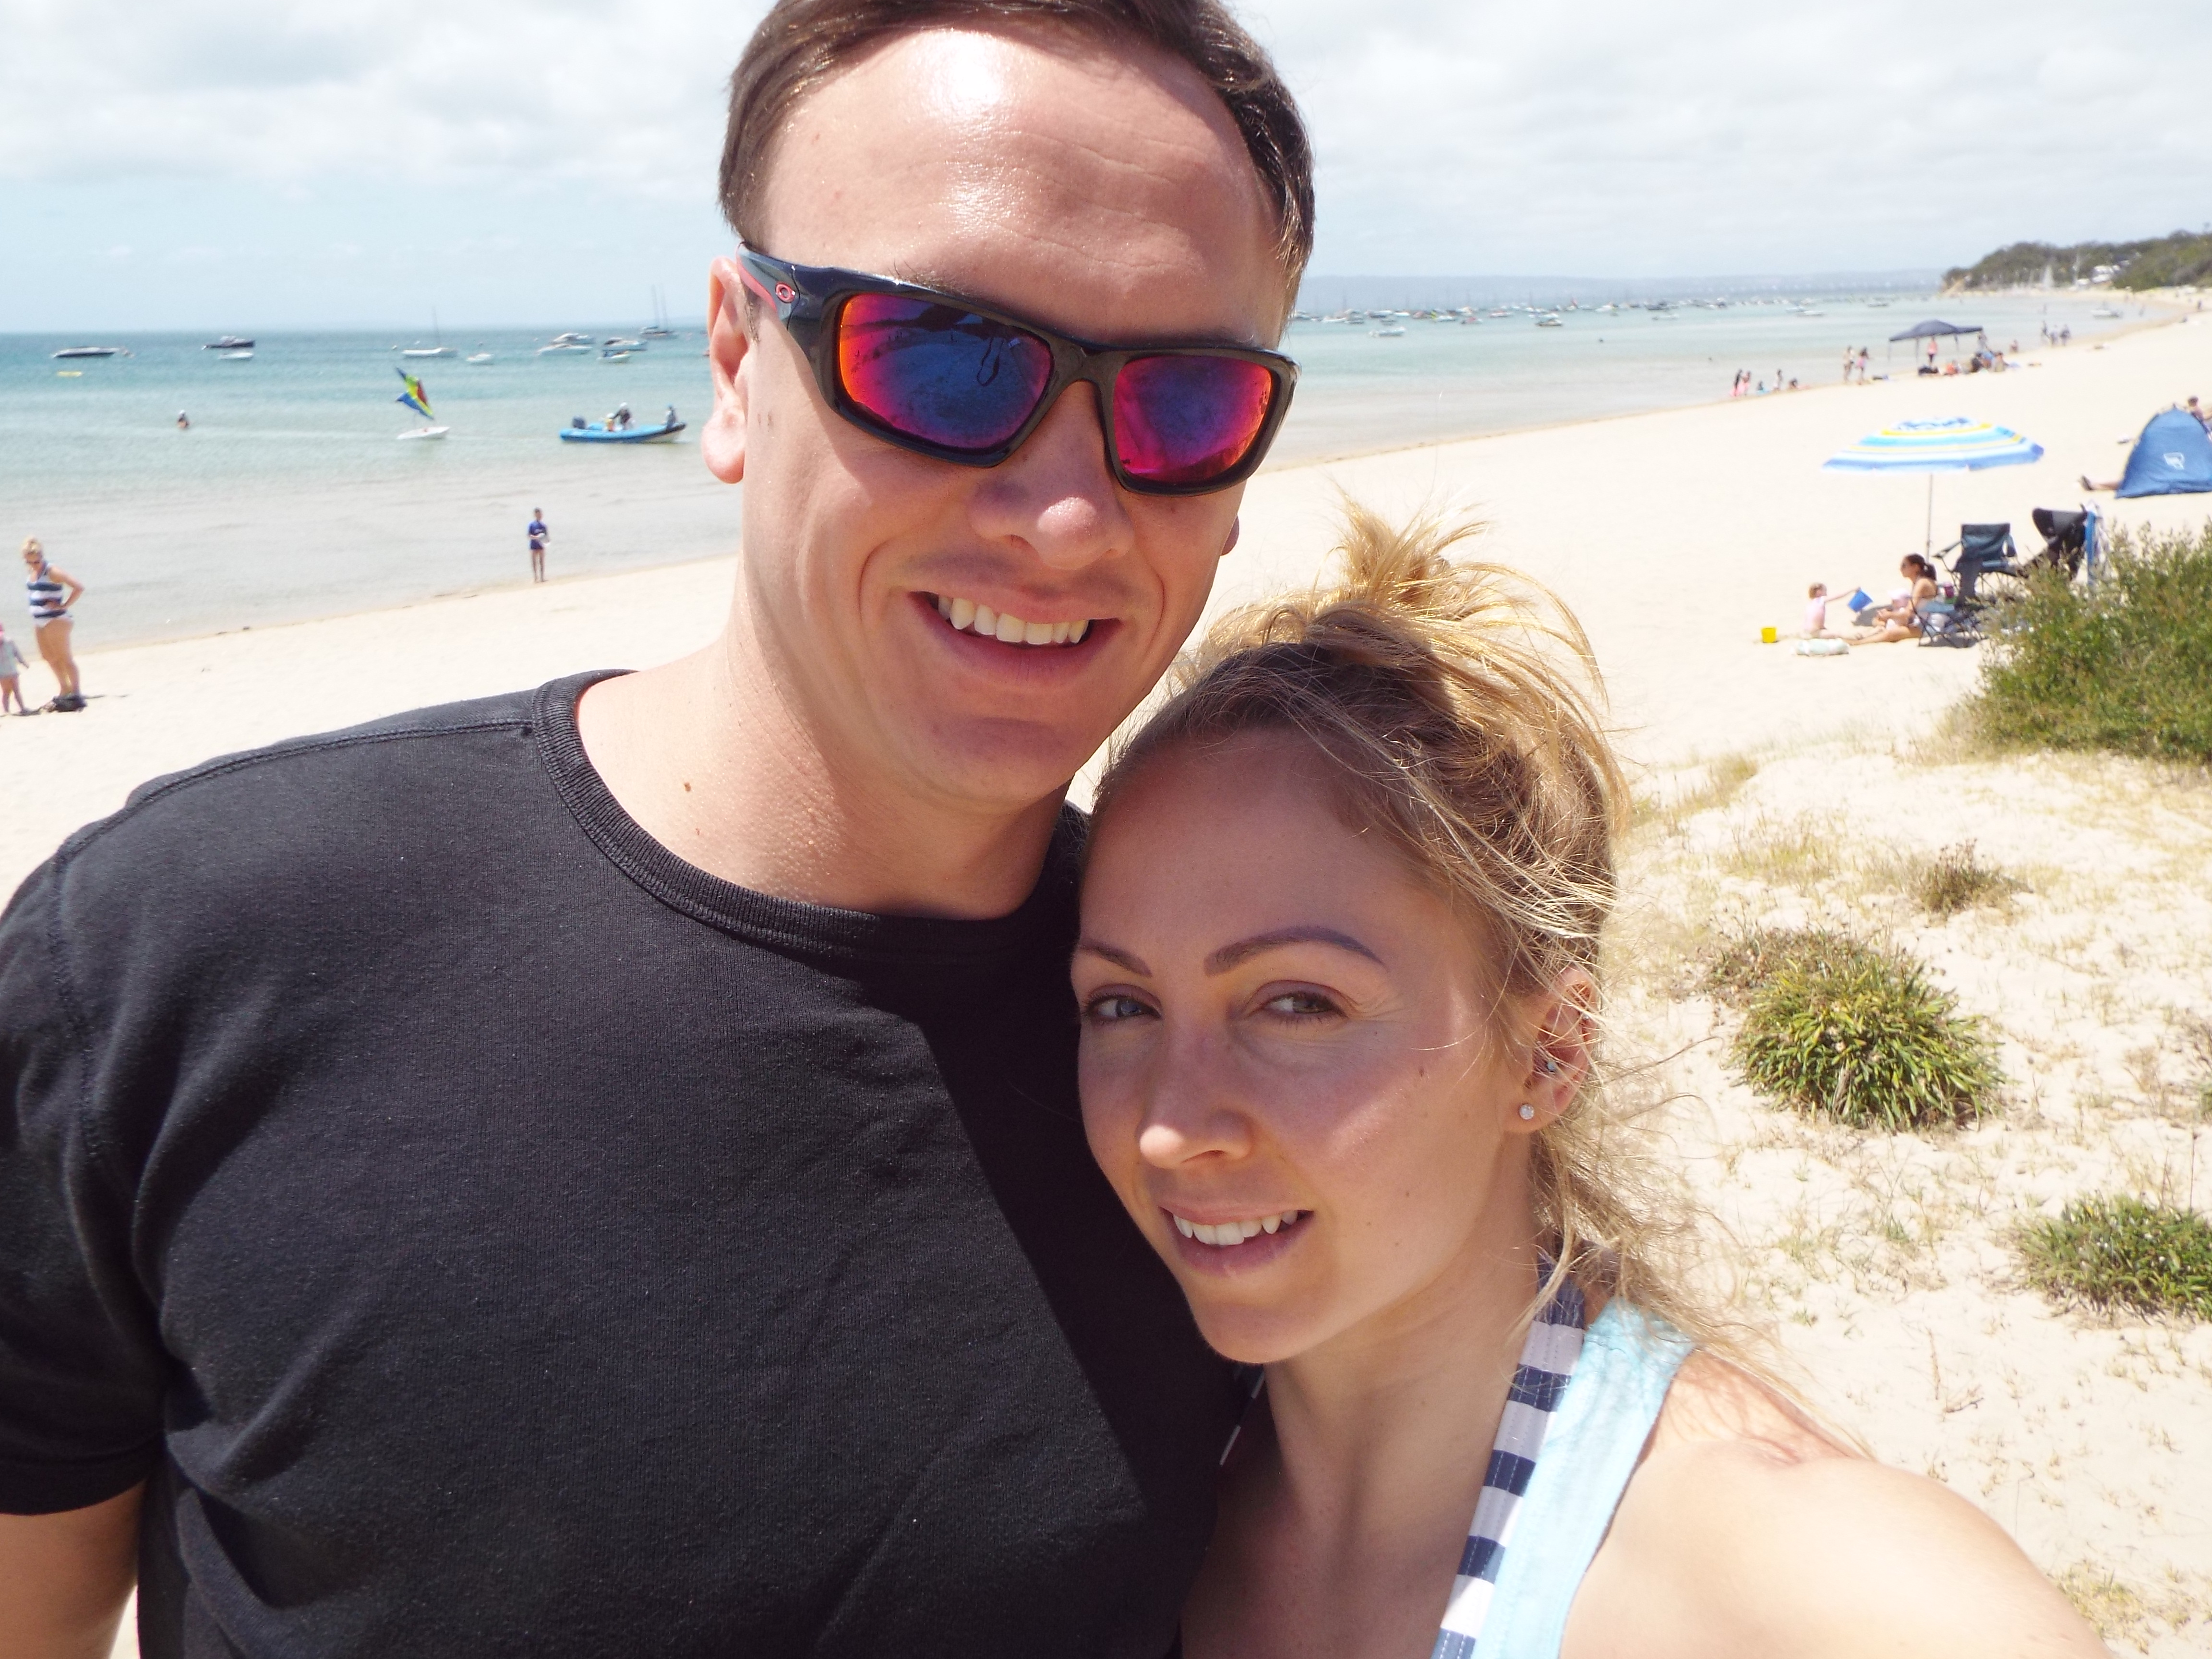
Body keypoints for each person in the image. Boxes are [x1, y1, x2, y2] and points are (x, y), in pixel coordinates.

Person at [0, 3, 1313, 1655]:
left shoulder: (1263, 1067)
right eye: (944, 358)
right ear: (735, 367)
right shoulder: (181, 954)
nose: (1063, 514)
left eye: (1183, 404)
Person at [1071, 507, 2105, 1659]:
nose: (1169, 1128)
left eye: (1297, 1004)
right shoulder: (1120, 1507)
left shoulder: (1814, 1590)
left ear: (1549, 1049)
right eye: (1123, 1005)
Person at [20, 537, 84, 712]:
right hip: (40, 620)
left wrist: (64, 605)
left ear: (42, 556)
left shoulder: (52, 571)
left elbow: (78, 587)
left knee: (64, 657)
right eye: (29, 562)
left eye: (36, 561)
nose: (33, 565)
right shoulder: (32, 572)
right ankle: (65, 688)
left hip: (56, 620)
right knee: (48, 656)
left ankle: (76, 693)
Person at [1853, 553, 1941, 643]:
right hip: (1921, 621)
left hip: (1930, 626)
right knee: (1879, 620)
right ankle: (1874, 633)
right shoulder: (1919, 582)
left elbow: (1909, 612)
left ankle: (1858, 643)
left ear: (1915, 567)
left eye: (1904, 566)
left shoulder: (1922, 583)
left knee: (1893, 633)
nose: (1901, 569)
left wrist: (1890, 615)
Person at [0, 621, 28, 714]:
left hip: (13, 671)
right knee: (6, 692)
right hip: (2, 673)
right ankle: (6, 711)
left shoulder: (10, 642)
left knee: (17, 691)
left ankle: (22, 708)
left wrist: (23, 663)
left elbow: (17, 653)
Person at [528, 506, 549, 583]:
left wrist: (546, 541)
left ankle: (542, 577)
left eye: (540, 514)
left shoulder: (544, 526)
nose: (540, 515)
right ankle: (535, 578)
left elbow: (546, 537)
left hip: (541, 546)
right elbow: (529, 535)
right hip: (534, 546)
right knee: (534, 562)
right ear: (535, 515)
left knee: (541, 562)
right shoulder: (532, 525)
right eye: (538, 514)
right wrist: (536, 537)